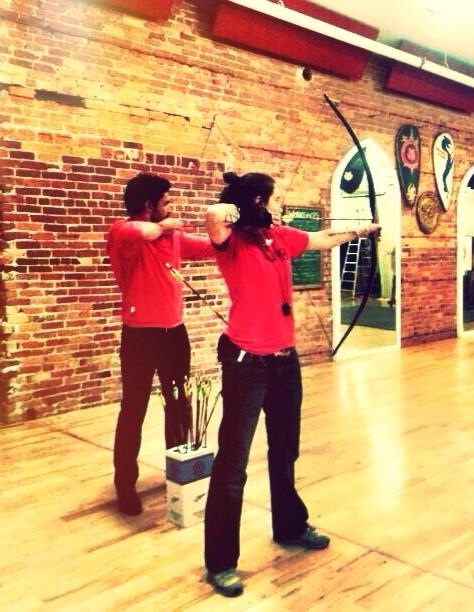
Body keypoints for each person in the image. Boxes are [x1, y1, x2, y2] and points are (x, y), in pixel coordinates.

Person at [203, 171, 380, 597]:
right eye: (275, 199)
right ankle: (221, 562)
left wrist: (362, 229)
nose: (281, 205)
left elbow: (320, 239)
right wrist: (241, 207)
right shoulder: (233, 242)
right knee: (233, 464)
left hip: (285, 362)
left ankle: (289, 526)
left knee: (285, 449)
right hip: (247, 364)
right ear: (260, 200)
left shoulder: (279, 237)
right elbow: (214, 217)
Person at [107, 172, 214, 516]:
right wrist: (170, 224)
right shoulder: (123, 231)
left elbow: (213, 247)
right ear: (148, 205)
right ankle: (125, 486)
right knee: (133, 410)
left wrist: (233, 230)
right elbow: (145, 231)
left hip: (174, 335)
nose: (171, 208)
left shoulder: (173, 237)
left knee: (179, 407)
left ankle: (179, 477)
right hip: (140, 336)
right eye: (166, 202)